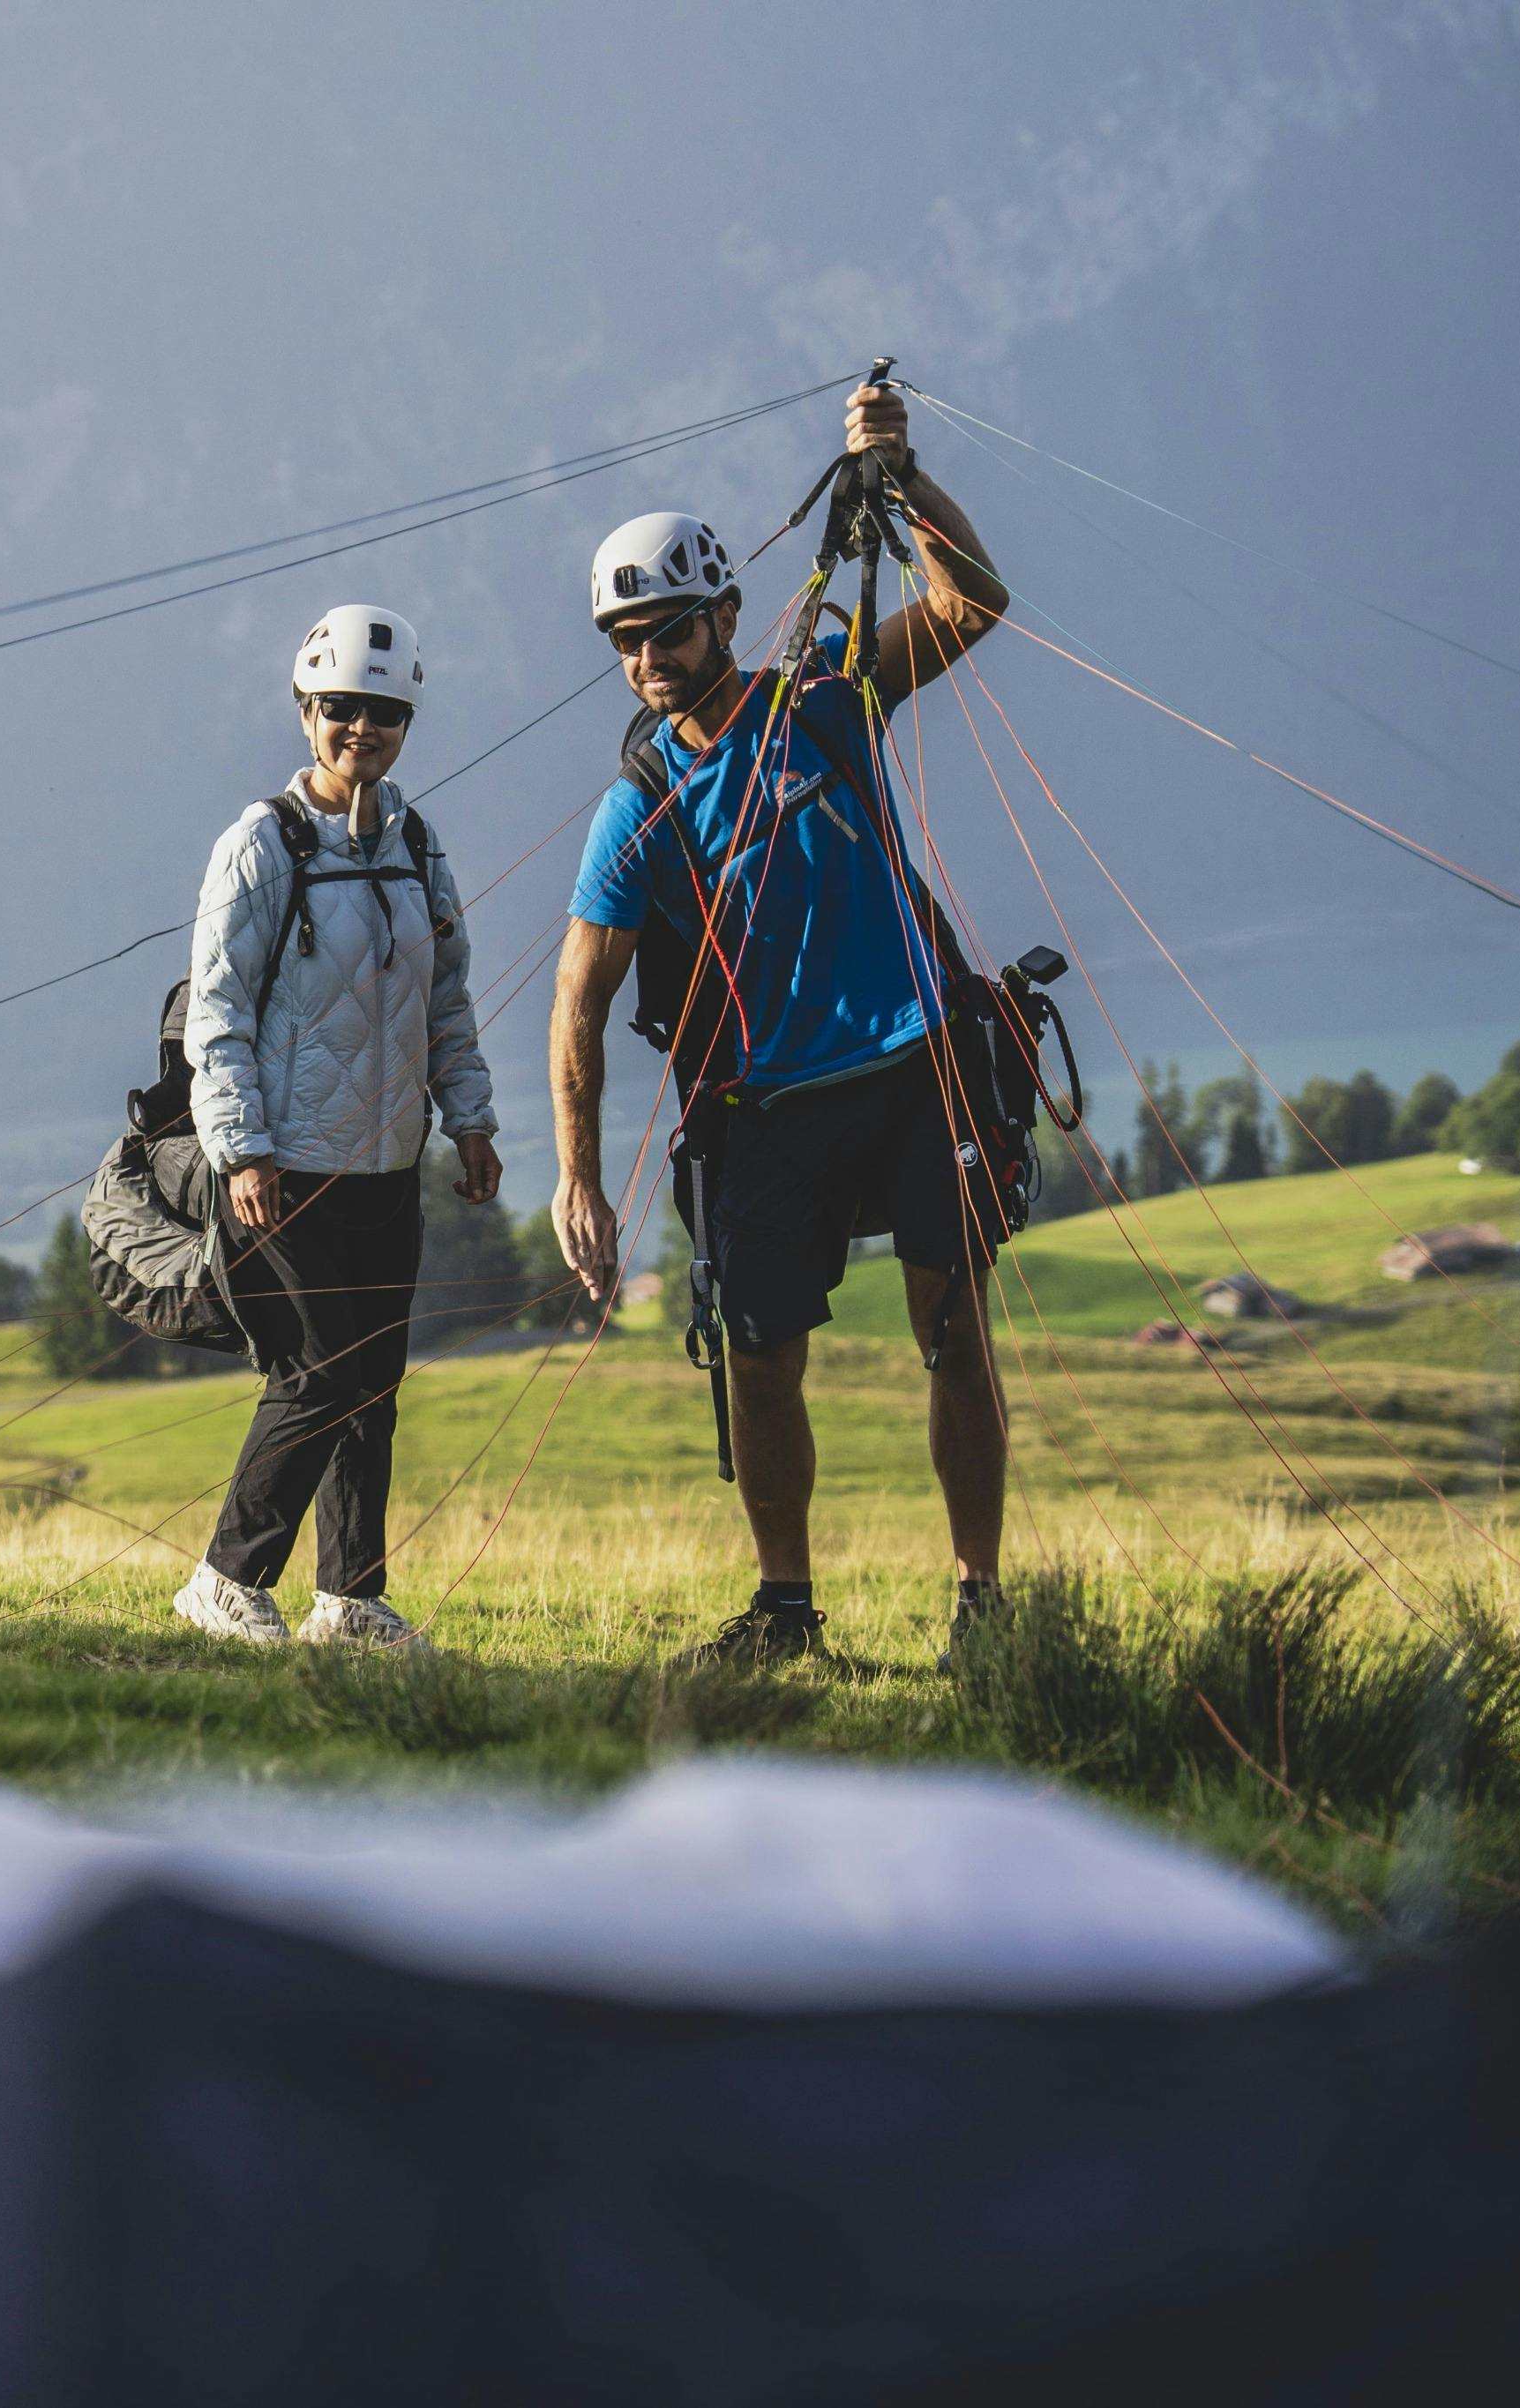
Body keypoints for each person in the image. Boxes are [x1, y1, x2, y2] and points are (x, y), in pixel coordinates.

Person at [544, 381, 1013, 1664]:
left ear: (725, 617)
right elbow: (579, 996)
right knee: (758, 1362)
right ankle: (785, 1611)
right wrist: (577, 1178)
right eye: (625, 641)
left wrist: (902, 480)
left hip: (914, 1063)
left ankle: (981, 1606)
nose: (648, 660)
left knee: (953, 1330)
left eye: (667, 631)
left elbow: (974, 602)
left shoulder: (828, 695)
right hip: (764, 1108)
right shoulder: (638, 803)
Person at [172, 603, 499, 1648]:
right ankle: (225, 1580)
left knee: (372, 1385)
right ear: (306, 711)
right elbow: (217, 1014)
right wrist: (242, 1150)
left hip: (387, 1164)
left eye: (384, 713)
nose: (363, 728)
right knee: (318, 1374)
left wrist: (472, 1120)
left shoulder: (417, 844)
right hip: (285, 1165)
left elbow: (445, 999)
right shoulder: (261, 845)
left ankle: (350, 1599)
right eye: (342, 708)